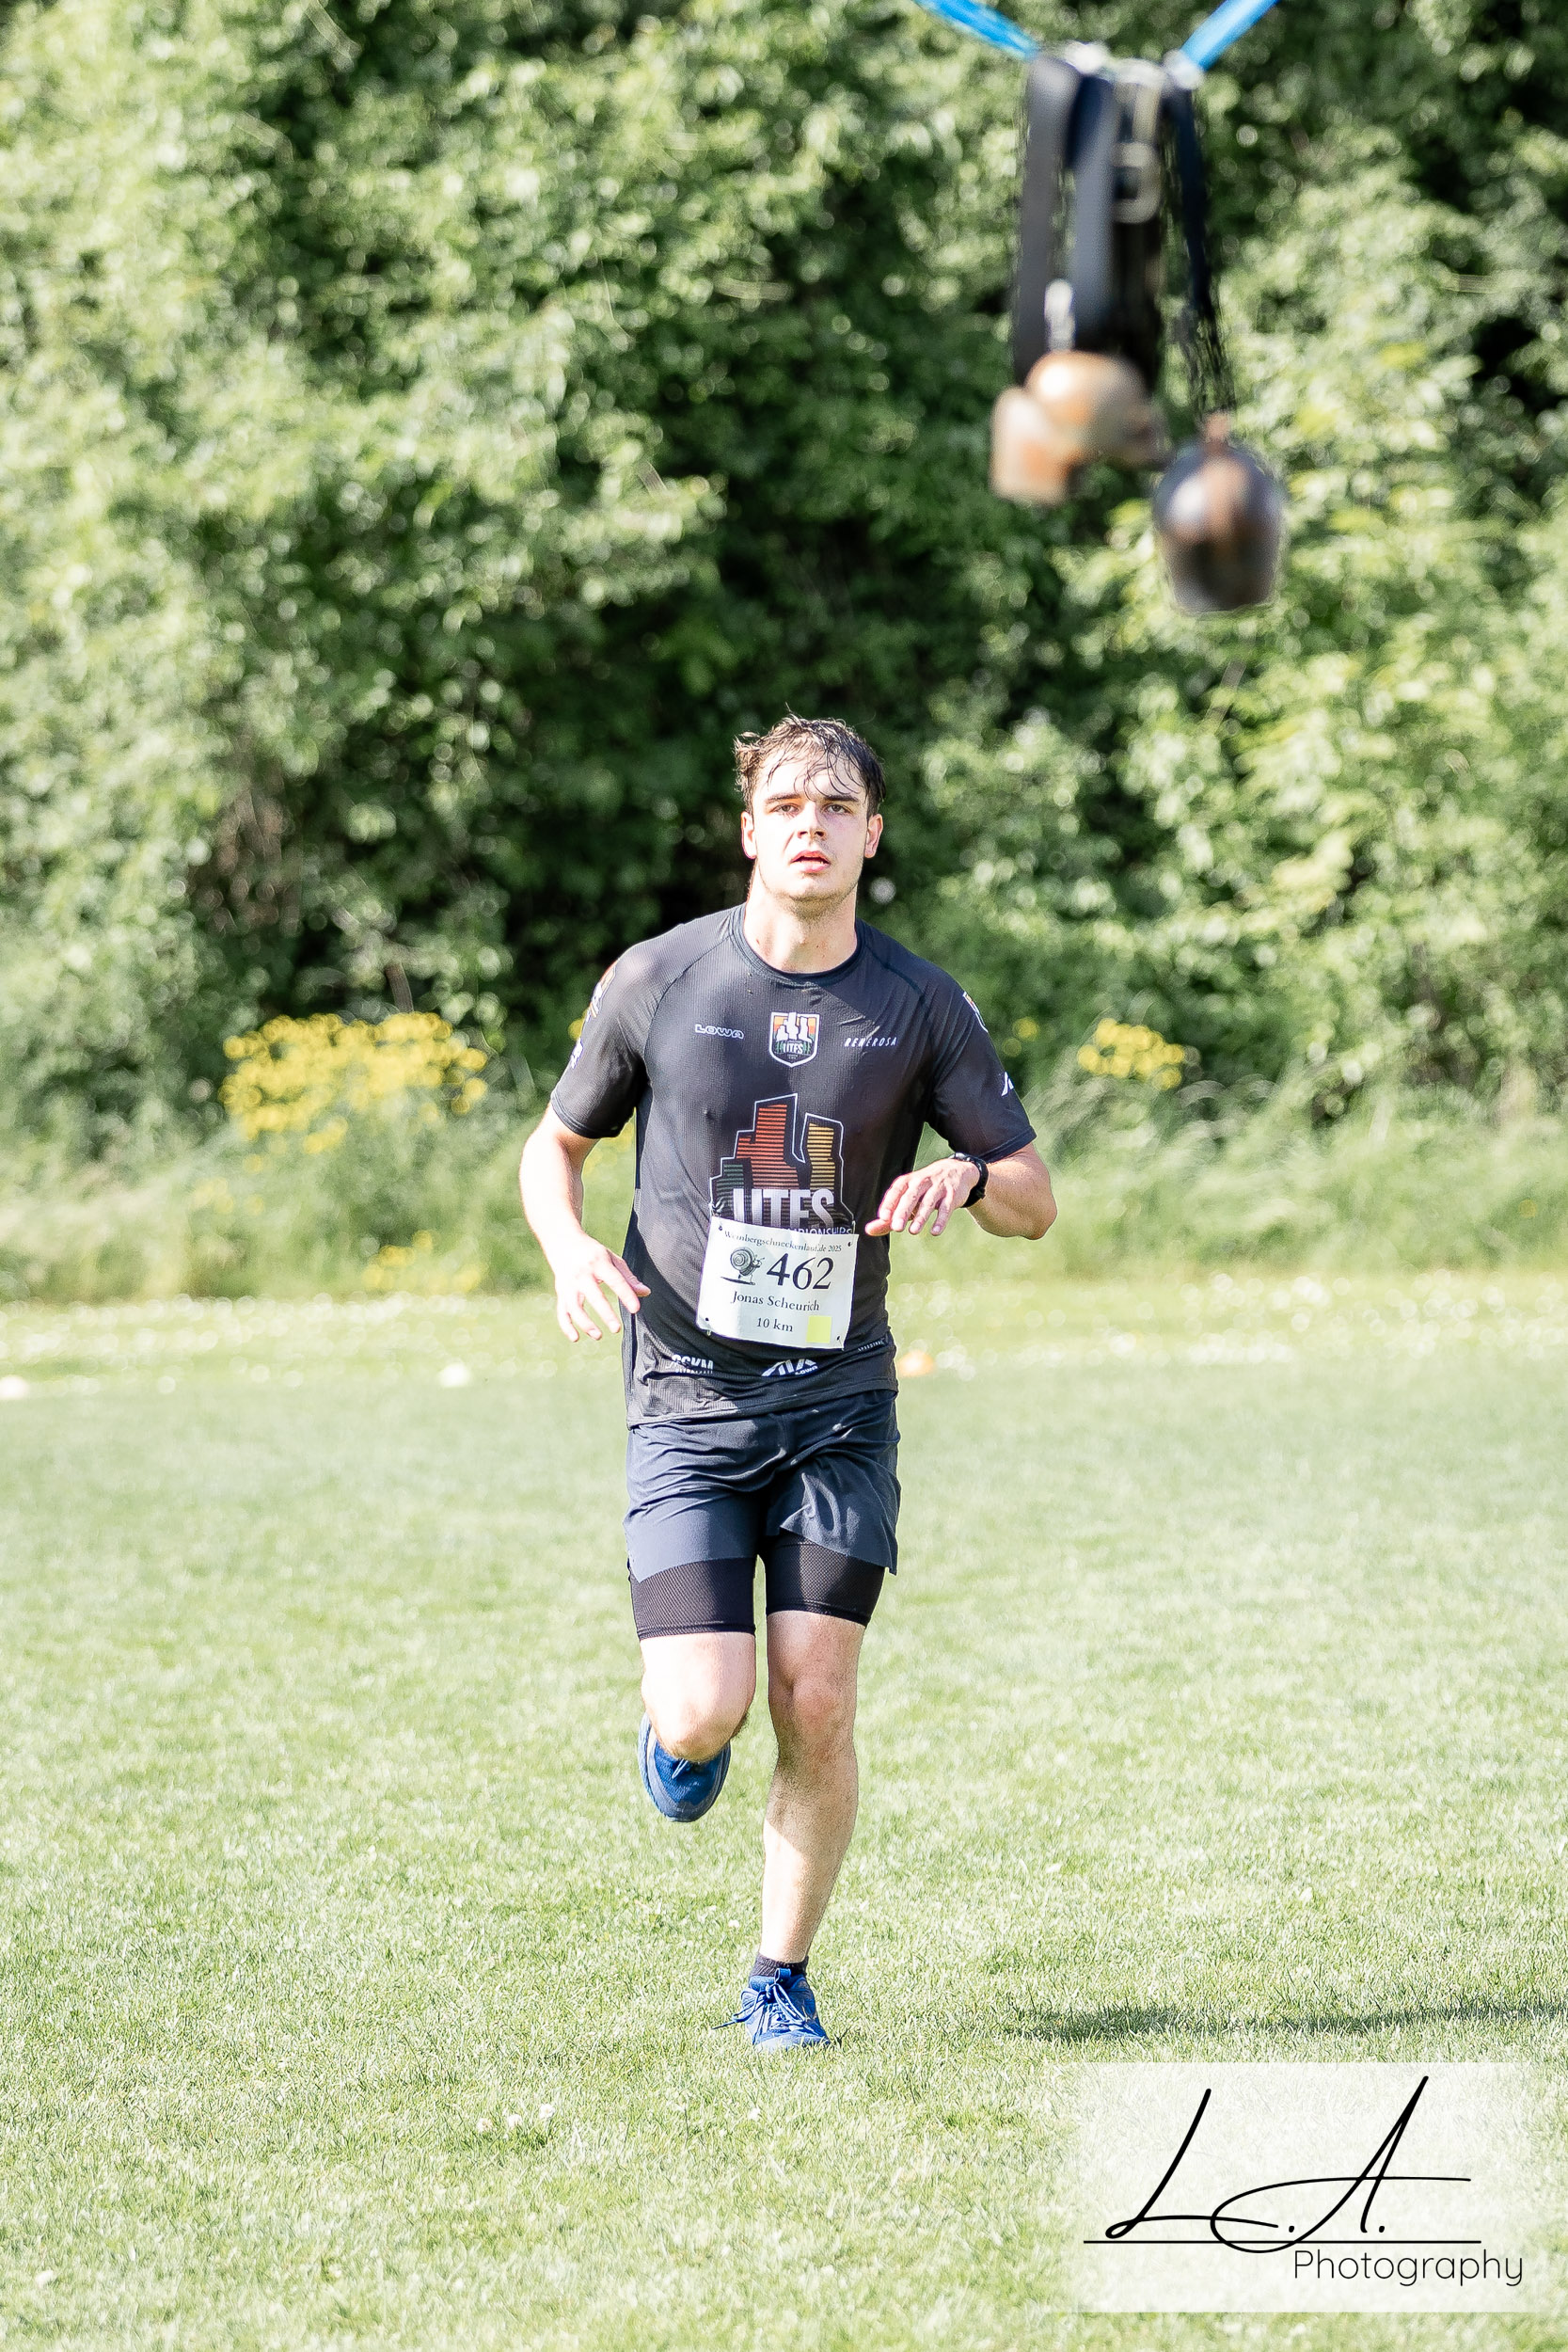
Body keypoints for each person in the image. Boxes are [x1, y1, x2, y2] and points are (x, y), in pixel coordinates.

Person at [520, 716, 1056, 2049]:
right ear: (751, 829)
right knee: (708, 1709)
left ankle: (779, 1977)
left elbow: (1033, 1201)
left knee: (815, 1695)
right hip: (687, 1403)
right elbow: (556, 1143)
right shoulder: (660, 977)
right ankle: (678, 1737)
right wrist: (567, 1246)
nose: (811, 823)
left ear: (872, 834)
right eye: (787, 803)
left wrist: (965, 1176)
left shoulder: (920, 1003)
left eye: (837, 805)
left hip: (838, 1412)